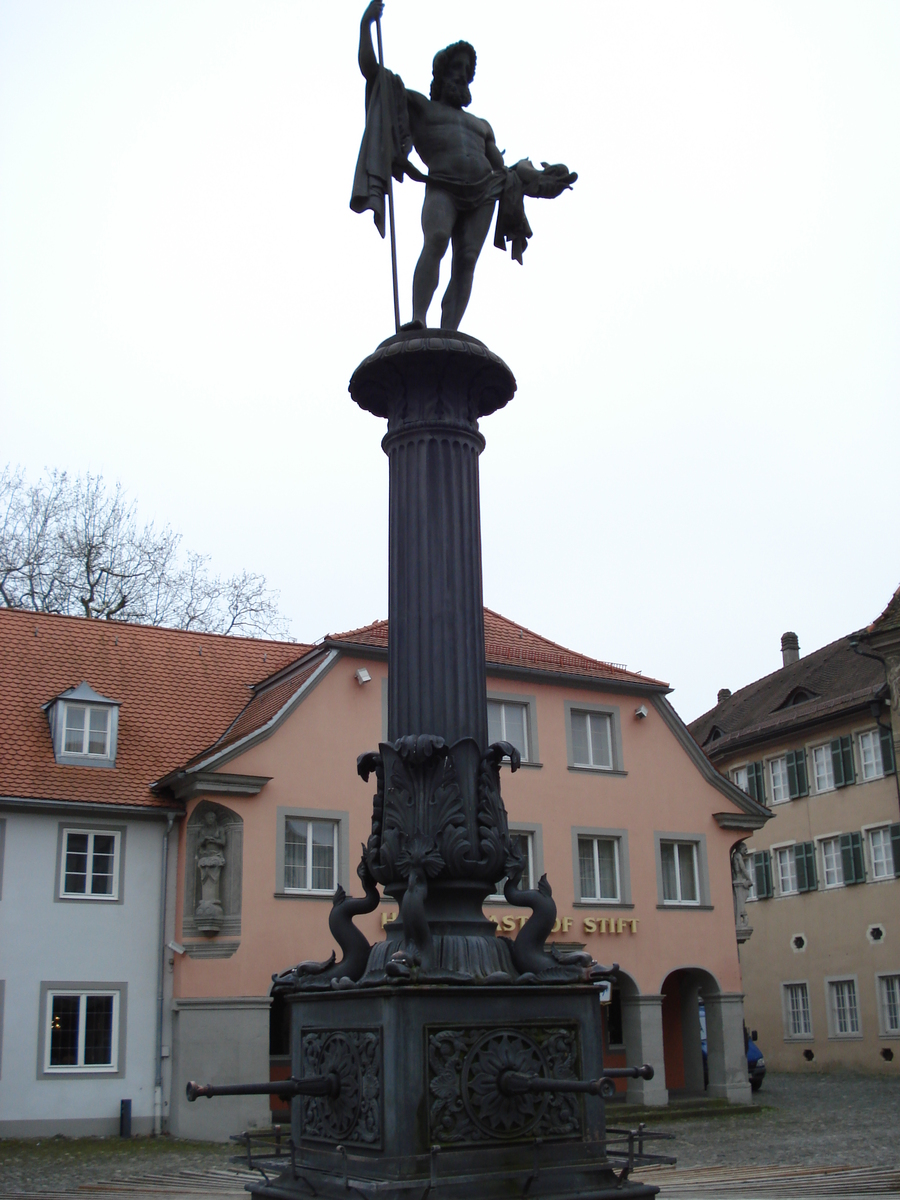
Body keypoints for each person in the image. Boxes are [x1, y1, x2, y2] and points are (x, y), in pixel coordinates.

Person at [354, 0, 576, 331]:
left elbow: (503, 171)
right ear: (441, 74)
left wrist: (540, 180)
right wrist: (366, 25)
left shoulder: (481, 124)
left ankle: (450, 332)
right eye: (457, 68)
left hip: (484, 191)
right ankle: (418, 317)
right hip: (443, 184)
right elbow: (374, 73)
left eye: (467, 71)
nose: (462, 75)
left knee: (467, 260)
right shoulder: (422, 107)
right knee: (437, 239)